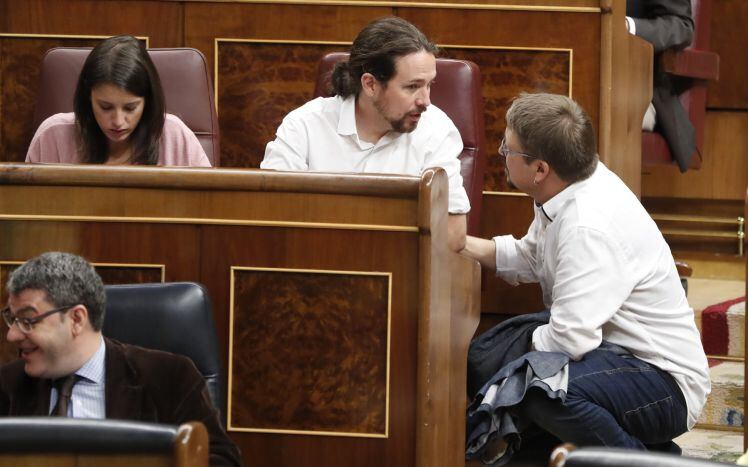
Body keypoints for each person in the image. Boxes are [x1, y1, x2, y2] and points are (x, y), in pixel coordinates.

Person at [462, 93, 710, 456]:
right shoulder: (568, 185)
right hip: (610, 358)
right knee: (498, 360)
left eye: (508, 149)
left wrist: (511, 366)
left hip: (662, 383)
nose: (502, 153)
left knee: (537, 388)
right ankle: (655, 453)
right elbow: (532, 256)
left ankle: (645, 463)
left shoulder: (587, 225)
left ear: (540, 169)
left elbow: (570, 340)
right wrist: (460, 244)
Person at [0, 252, 241, 466]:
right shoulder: (7, 385)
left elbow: (222, 460)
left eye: (28, 321)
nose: (12, 335)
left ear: (76, 320)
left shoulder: (170, 377)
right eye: (12, 319)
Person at [260, 17, 470, 251]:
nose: (425, 101)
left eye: (429, 85)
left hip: (399, 278)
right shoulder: (304, 126)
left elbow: (454, 233)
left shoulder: (436, 129)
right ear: (370, 84)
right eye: (412, 87)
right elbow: (270, 216)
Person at [26, 35, 211, 167]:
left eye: (130, 108)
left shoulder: (175, 136)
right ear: (88, 98)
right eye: (105, 107)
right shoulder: (52, 136)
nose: (117, 121)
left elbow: (206, 206)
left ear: (147, 102)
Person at [626, 0, 696, 171]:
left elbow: (681, 26)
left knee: (575, 116)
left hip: (633, 88)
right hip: (559, 82)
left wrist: (628, 27)